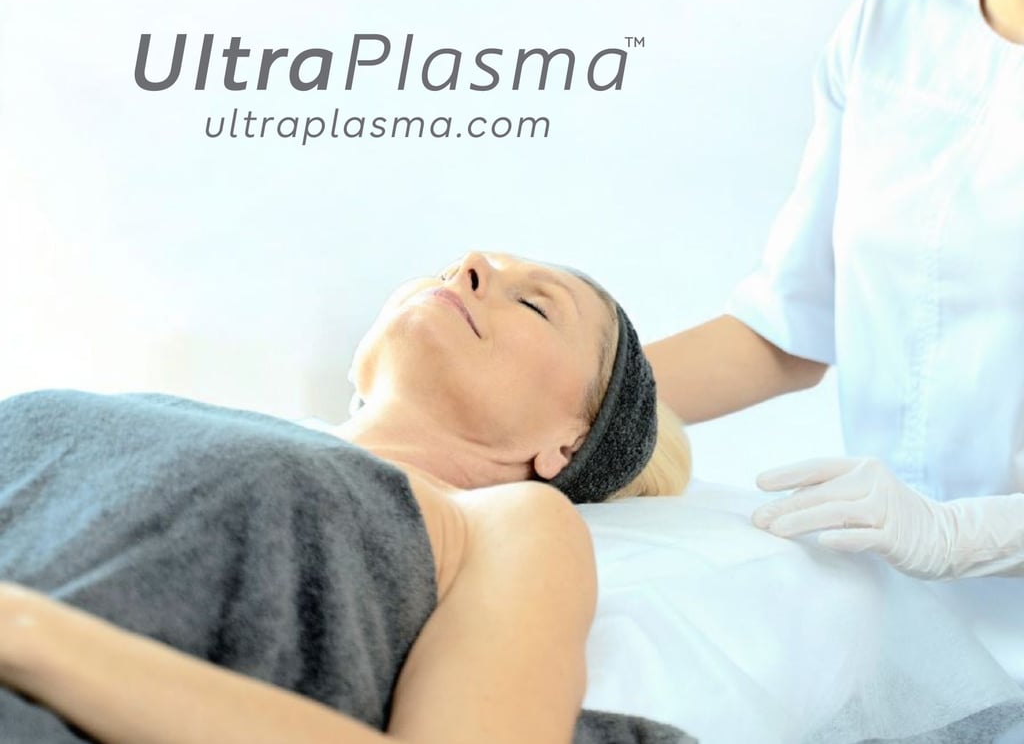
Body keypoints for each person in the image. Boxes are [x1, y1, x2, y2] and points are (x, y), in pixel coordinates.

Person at [0, 251, 693, 744]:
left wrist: (27, 632)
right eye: (448, 269)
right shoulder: (175, 412)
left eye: (536, 303)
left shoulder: (508, 522)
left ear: (569, 444)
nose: (469, 266)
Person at [647, 0, 1024, 583]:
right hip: (889, 600)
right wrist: (559, 406)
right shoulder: (894, 20)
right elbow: (789, 331)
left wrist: (960, 536)